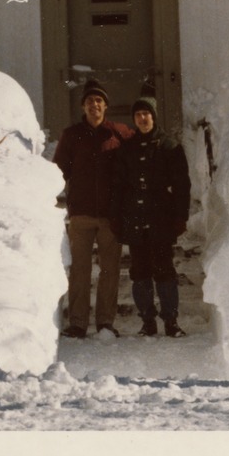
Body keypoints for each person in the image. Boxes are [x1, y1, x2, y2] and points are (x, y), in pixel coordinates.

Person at [52, 79, 134, 339]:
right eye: (89, 101)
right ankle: (77, 323)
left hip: (111, 215)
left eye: (98, 101)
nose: (94, 105)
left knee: (109, 269)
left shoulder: (119, 133)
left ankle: (105, 323)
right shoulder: (71, 135)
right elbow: (56, 172)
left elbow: (142, 149)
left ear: (105, 106)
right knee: (79, 270)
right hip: (82, 213)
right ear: (82, 107)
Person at [113, 94, 191, 338]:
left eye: (146, 114)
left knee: (164, 269)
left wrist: (180, 216)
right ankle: (148, 321)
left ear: (154, 116)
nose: (142, 118)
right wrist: (118, 218)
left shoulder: (170, 146)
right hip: (136, 220)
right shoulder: (126, 149)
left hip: (161, 219)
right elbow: (118, 186)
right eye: (138, 115)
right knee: (140, 271)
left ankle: (171, 321)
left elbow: (182, 185)